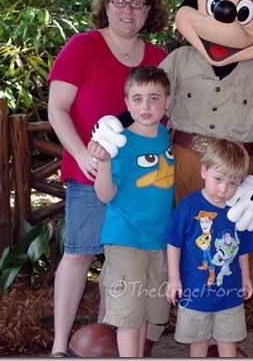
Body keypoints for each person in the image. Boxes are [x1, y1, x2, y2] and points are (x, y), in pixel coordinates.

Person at [47, 0, 169, 357]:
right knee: (81, 253)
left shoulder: (160, 59)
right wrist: (83, 154)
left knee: (121, 257)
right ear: (106, 6)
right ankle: (58, 345)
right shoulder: (82, 47)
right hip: (90, 170)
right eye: (120, 2)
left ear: (148, 11)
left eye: (137, 3)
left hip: (141, 181)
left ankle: (107, 344)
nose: (128, 10)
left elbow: (166, 116)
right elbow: (57, 108)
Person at [87, 66, 174, 357]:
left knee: (147, 312)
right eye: (137, 99)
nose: (145, 106)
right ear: (126, 103)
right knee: (128, 315)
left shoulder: (164, 134)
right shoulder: (121, 144)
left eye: (154, 98)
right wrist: (103, 162)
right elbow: (105, 195)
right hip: (126, 239)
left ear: (168, 101)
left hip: (158, 240)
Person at [164, 138, 253, 357]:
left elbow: (242, 246)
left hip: (230, 293)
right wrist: (174, 279)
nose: (223, 189)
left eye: (232, 183)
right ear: (204, 171)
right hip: (195, 292)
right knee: (198, 345)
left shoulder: (238, 210)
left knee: (228, 343)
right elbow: (173, 242)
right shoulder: (188, 206)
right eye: (218, 179)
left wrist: (246, 276)